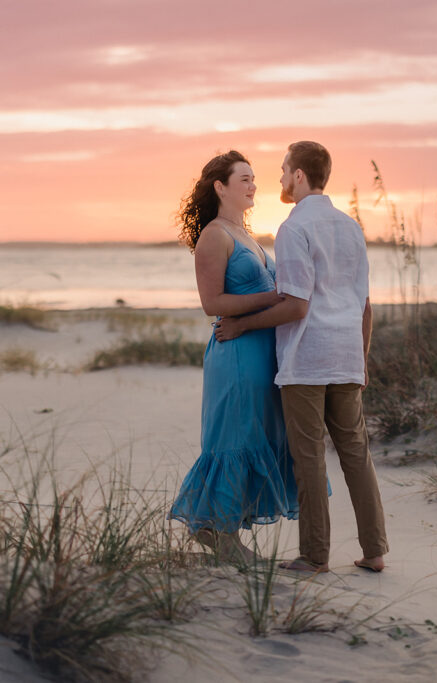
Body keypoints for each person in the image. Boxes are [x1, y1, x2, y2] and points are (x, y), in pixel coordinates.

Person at [215, 141, 388, 573]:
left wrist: (241, 326)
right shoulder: (350, 227)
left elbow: (296, 305)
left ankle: (314, 556)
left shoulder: (293, 229)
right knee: (356, 454)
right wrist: (362, 360)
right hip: (347, 356)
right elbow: (365, 305)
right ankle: (375, 551)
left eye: (282, 170)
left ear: (298, 175)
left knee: (308, 458)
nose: (277, 179)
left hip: (307, 360)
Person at [169, 150, 299, 564]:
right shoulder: (214, 235)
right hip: (236, 352)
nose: (253, 185)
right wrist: (276, 295)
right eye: (244, 178)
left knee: (257, 437)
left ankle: (224, 532)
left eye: (255, 178)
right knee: (233, 439)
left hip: (262, 349)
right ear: (220, 186)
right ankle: (216, 532)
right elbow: (213, 303)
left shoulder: (248, 234)